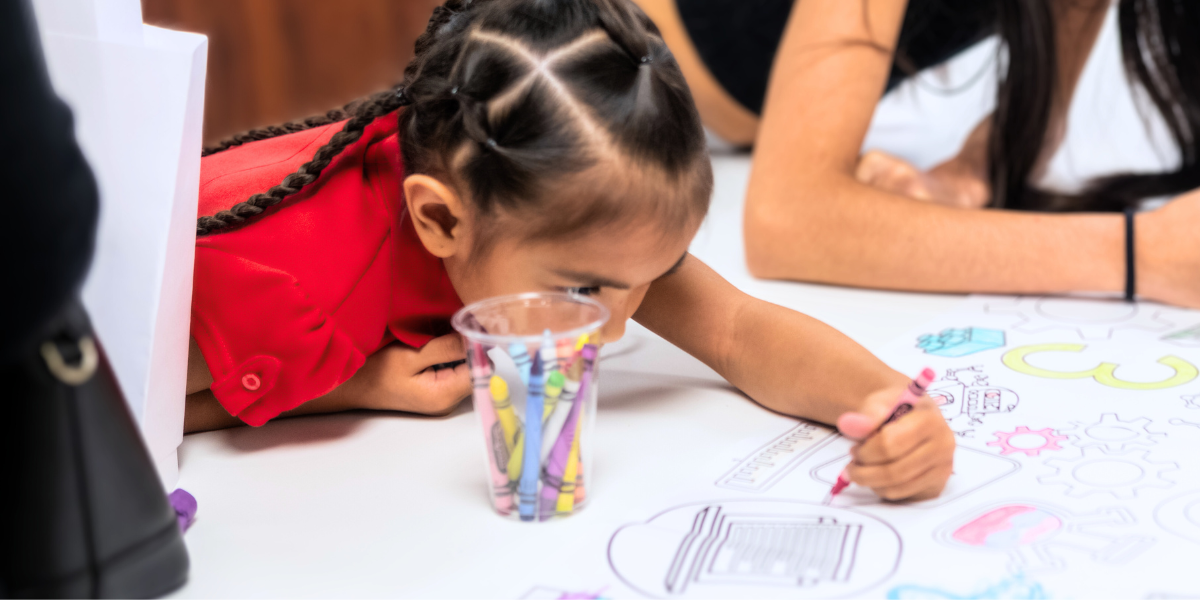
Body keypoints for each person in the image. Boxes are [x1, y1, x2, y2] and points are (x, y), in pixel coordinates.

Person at [183, 0, 954, 501]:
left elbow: (736, 330)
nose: (615, 329)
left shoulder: (542, 216)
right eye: (585, 292)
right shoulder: (297, 287)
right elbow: (97, 408)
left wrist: (892, 403)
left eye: (644, 283)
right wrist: (348, 387)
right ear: (441, 222)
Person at [634, 0, 1200, 308]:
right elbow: (787, 220)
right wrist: (1137, 255)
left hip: (710, 131)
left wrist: (973, 170)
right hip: (595, 77)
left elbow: (1044, 69)